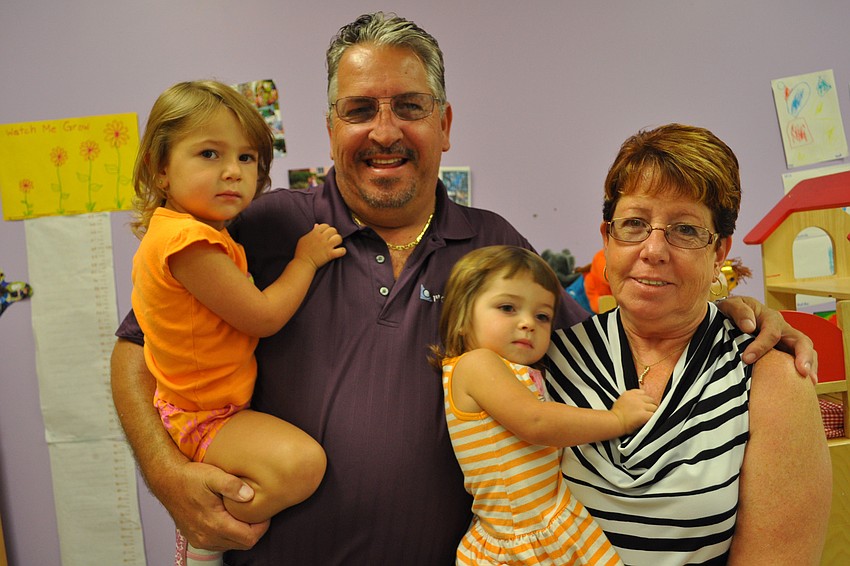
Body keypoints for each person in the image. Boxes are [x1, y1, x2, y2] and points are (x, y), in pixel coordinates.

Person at [111, 13, 817, 565]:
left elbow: (603, 337)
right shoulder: (258, 232)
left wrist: (726, 308)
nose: (384, 131)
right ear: (330, 130)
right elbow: (135, 354)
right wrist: (169, 475)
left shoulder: (497, 247)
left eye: (409, 106)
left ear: (445, 126)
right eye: (360, 110)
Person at [545, 123, 831, 564]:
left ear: (719, 252)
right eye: (634, 224)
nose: (653, 249)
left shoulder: (770, 380)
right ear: (607, 235)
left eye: (684, 230)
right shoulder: (552, 361)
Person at [129, 80, 345, 564]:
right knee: (301, 465)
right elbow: (263, 316)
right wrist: (305, 261)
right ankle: (209, 535)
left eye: (247, 158)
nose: (233, 171)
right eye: (209, 154)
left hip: (207, 405)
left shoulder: (195, 234)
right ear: (160, 170)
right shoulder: (189, 244)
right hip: (204, 415)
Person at [434, 245, 657, 564]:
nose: (528, 323)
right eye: (508, 307)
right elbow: (536, 423)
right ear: (461, 316)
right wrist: (618, 420)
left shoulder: (517, 370)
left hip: (548, 519)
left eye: (542, 316)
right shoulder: (476, 364)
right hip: (519, 536)